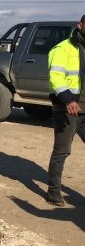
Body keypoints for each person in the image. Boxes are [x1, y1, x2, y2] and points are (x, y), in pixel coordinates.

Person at [46, 15, 85, 206]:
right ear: (80, 26)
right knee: (62, 151)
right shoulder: (63, 48)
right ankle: (53, 192)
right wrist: (68, 100)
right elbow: (56, 77)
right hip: (68, 108)